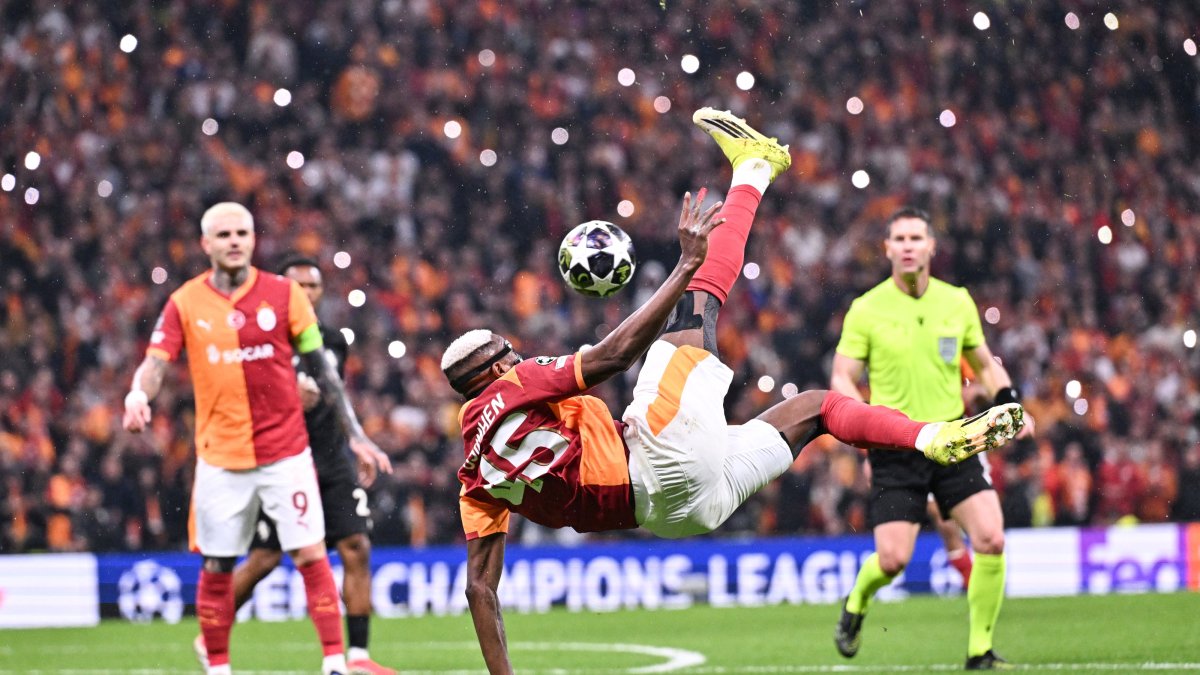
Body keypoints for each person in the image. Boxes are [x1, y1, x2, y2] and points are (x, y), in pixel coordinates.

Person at [439, 109, 1025, 674]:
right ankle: (755, 169)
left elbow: (479, 588)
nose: (517, 354)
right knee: (696, 298)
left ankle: (932, 436)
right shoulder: (515, 383)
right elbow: (615, 356)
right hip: (654, 453)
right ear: (491, 370)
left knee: (817, 409)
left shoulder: (471, 478)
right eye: (506, 351)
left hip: (675, 515)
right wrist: (681, 265)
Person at [122, 203, 392, 675]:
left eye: (242, 232)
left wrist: (357, 436)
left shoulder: (284, 295)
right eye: (223, 233)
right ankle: (219, 667)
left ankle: (336, 664)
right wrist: (136, 395)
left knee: (312, 554)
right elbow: (156, 361)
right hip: (220, 458)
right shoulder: (185, 301)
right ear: (206, 244)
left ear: (253, 239)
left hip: (286, 453)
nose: (234, 240)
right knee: (219, 566)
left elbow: (326, 375)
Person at [830, 207, 1036, 670]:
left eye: (915, 237)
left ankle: (979, 650)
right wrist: (863, 425)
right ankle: (856, 603)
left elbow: (983, 363)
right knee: (892, 560)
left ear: (931, 247)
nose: (907, 245)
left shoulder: (956, 301)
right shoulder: (866, 308)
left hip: (953, 440)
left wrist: (1011, 402)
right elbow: (842, 375)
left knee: (991, 539)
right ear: (886, 248)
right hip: (896, 446)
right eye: (898, 238)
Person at [191, 256, 395, 675]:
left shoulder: (332, 340)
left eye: (313, 286)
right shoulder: (256, 338)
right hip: (280, 458)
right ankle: (211, 634)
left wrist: (356, 442)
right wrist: (283, 396)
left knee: (356, 547)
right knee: (265, 558)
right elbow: (234, 392)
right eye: (296, 285)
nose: (306, 293)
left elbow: (336, 392)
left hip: (331, 459)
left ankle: (356, 657)